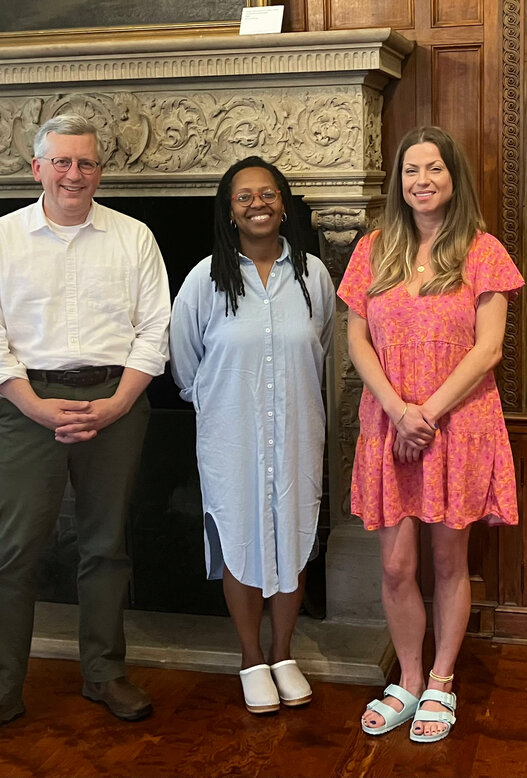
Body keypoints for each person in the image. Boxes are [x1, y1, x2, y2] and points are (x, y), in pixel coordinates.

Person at [0, 114, 171, 753]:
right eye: (62, 162)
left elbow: (156, 328)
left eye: (87, 163)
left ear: (100, 170)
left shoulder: (134, 237)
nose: (75, 174)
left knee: (106, 545)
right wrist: (37, 406)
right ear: (37, 167)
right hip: (26, 404)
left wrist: (120, 401)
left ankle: (104, 673)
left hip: (115, 403)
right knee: (13, 553)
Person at [337, 126, 523, 743]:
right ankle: (409, 678)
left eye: (434, 168)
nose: (422, 180)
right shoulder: (373, 249)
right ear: (399, 180)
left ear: (453, 177)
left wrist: (429, 413)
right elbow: (357, 339)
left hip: (459, 424)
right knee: (395, 565)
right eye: (412, 169)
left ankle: (442, 680)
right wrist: (397, 410)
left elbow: (490, 347)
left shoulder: (483, 249)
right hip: (388, 424)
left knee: (448, 562)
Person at [170, 156, 335, 714]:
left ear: (284, 204)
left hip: (296, 433)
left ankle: (283, 653)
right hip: (231, 437)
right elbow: (185, 363)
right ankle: (250, 657)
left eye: (267, 194)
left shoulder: (313, 275)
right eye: (244, 197)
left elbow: (323, 348)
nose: (257, 204)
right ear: (230, 211)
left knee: (292, 536)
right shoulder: (204, 279)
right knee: (240, 538)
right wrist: (223, 408)